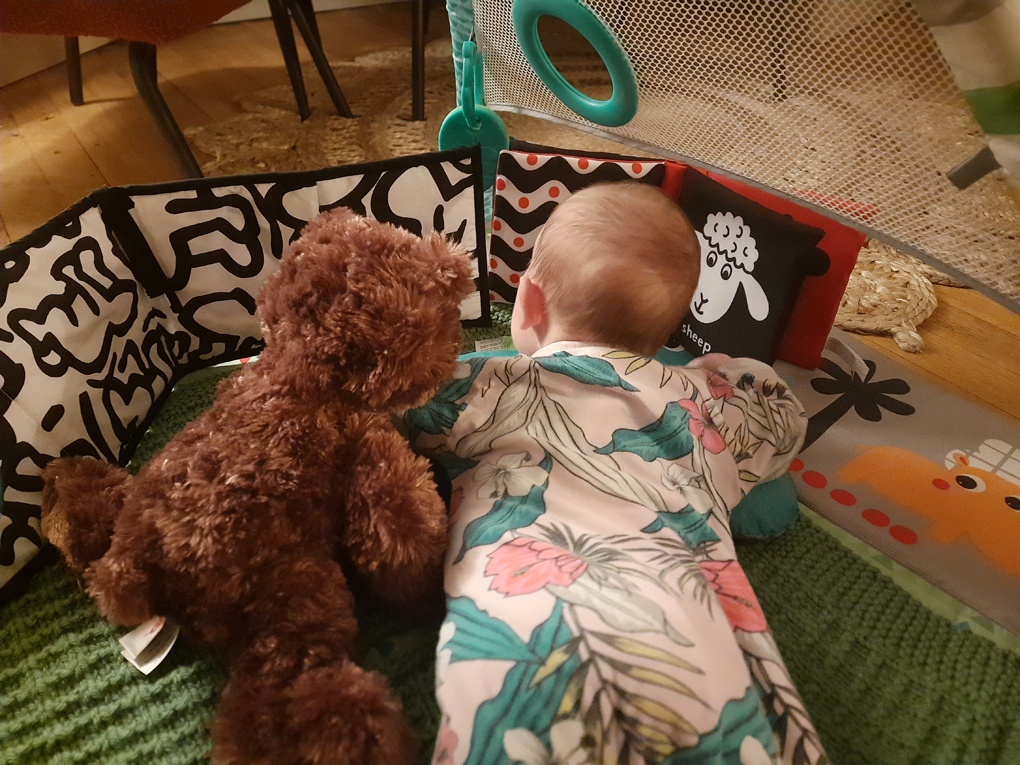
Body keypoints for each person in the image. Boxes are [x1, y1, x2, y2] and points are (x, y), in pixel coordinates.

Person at [405, 182, 828, 765]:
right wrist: (719, 370)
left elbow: (385, 402)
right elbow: (784, 423)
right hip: (692, 635)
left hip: (539, 631)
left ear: (528, 302)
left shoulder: (488, 382)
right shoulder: (705, 402)